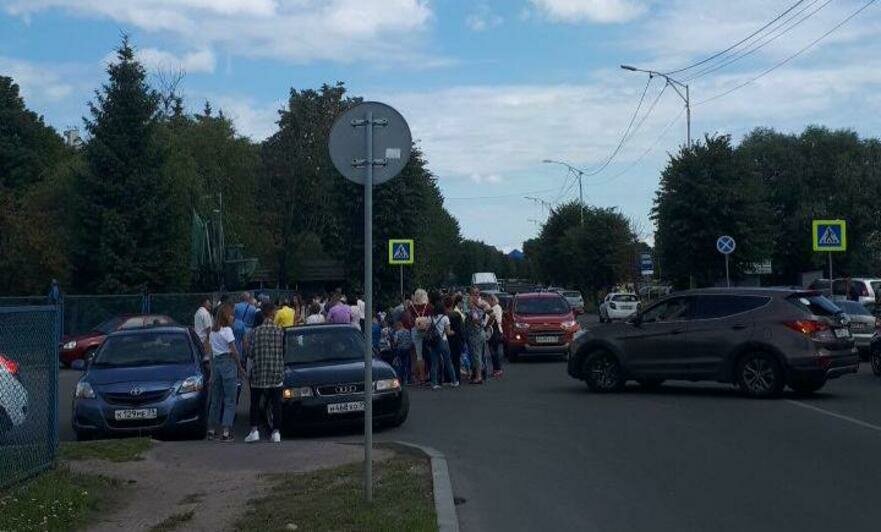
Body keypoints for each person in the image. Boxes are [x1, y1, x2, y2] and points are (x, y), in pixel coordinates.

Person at [245, 303, 285, 444]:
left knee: (255, 403)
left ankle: (254, 431)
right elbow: (283, 351)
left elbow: (250, 353)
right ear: (272, 313)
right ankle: (276, 432)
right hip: (275, 372)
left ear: (262, 314)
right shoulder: (279, 331)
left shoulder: (255, 332)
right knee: (276, 403)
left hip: (259, 373)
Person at [207, 304, 245, 442]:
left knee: (216, 399)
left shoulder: (212, 332)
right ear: (225, 316)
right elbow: (234, 350)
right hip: (228, 363)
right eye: (231, 315)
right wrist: (240, 367)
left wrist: (211, 372)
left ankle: (211, 430)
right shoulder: (227, 331)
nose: (232, 317)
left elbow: (210, 353)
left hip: (216, 364)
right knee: (230, 399)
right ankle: (226, 431)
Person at [428, 301, 458, 389]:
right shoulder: (445, 318)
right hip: (443, 341)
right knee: (448, 362)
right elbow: (448, 332)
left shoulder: (431, 318)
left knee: (434, 364)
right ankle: (454, 381)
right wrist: (454, 332)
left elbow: (427, 329)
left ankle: (434, 383)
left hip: (434, 342)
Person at [463, 287, 489, 384]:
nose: (477, 295)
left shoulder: (473, 307)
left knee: (476, 355)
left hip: (475, 333)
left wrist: (481, 323)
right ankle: (481, 374)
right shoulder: (480, 305)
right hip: (480, 332)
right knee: (481, 355)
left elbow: (475, 319)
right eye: (475, 294)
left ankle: (478, 377)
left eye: (477, 293)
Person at [408, 289, 432, 384]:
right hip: (427, 330)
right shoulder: (428, 307)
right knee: (430, 352)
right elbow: (431, 319)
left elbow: (410, 320)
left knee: (419, 355)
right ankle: (430, 374)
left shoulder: (412, 307)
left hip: (416, 331)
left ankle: (421, 377)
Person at [447, 294, 466, 380]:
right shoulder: (456, 313)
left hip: (452, 338)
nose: (463, 304)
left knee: (454, 359)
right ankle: (457, 377)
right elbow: (460, 328)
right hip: (457, 338)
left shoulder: (453, 313)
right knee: (456, 360)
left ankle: (454, 377)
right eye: (462, 302)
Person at [487, 294, 504, 378]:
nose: (488, 302)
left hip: (494, 330)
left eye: (489, 301)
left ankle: (498, 369)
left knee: (494, 351)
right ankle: (496, 369)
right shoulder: (498, 307)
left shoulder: (495, 308)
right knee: (493, 351)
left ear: (492, 300)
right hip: (496, 330)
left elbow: (491, 319)